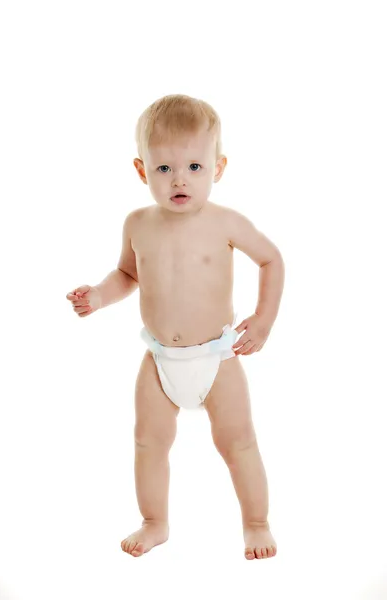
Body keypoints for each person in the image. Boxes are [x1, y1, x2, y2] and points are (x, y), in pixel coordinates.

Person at [66, 94, 285, 560]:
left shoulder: (226, 222)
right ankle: (155, 521)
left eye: (194, 166)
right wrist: (100, 296)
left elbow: (271, 259)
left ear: (218, 167)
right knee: (148, 441)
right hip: (160, 360)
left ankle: (256, 522)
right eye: (163, 169)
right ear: (142, 170)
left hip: (217, 358)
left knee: (239, 442)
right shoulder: (138, 224)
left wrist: (263, 321)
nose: (179, 178)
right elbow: (128, 274)